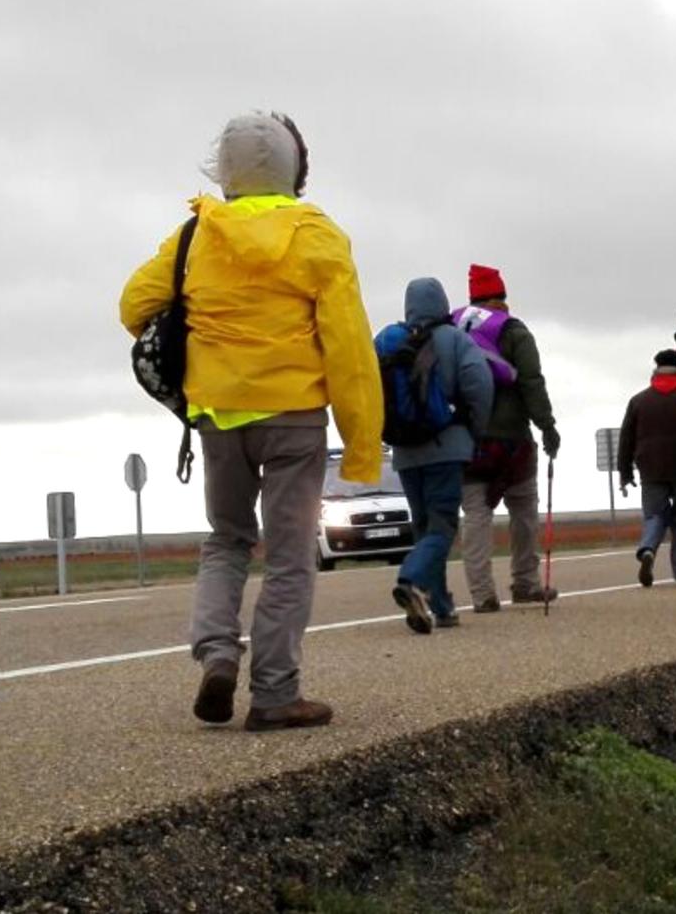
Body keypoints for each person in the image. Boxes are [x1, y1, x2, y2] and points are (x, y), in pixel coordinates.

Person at [120, 112, 382, 732]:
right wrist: (363, 444)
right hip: (293, 414)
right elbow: (348, 346)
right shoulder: (317, 234)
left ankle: (216, 654)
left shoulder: (196, 233)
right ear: (292, 168)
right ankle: (275, 693)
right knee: (290, 555)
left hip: (218, 415)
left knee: (227, 540)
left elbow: (134, 305)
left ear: (227, 171)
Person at [378, 278, 494, 635]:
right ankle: (411, 579)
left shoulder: (388, 341)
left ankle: (441, 606)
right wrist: (476, 430)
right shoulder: (455, 339)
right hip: (447, 446)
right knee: (442, 526)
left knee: (425, 526)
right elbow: (479, 385)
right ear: (443, 303)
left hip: (405, 452)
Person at [453, 265, 561, 611]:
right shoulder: (513, 331)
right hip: (513, 439)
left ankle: (482, 594)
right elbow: (531, 381)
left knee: (476, 516)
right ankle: (525, 583)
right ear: (501, 297)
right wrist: (547, 425)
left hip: (468, 439)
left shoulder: (451, 328)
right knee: (524, 512)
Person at [617, 350, 676, 587]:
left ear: (656, 370)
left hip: (650, 468)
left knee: (654, 515)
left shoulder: (639, 400)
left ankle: (647, 548)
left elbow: (626, 440)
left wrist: (625, 473)